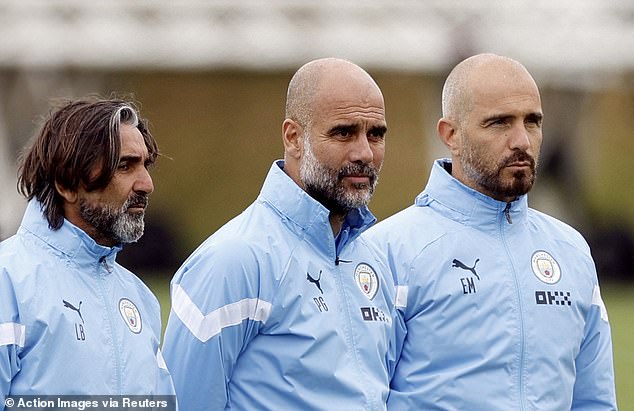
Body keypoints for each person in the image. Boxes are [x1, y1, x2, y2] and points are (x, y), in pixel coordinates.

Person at [365, 53, 617, 410]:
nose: (522, 141)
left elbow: (595, 401)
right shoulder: (385, 252)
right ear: (450, 134)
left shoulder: (570, 250)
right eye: (499, 123)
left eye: (532, 122)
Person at [162, 58, 398, 410]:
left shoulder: (374, 260)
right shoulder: (235, 259)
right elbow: (183, 401)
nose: (364, 152)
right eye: (344, 132)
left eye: (375, 134)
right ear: (293, 138)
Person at [0, 97, 175, 401]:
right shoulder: (8, 281)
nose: (146, 184)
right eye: (125, 166)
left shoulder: (140, 298)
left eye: (144, 166)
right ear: (66, 184)